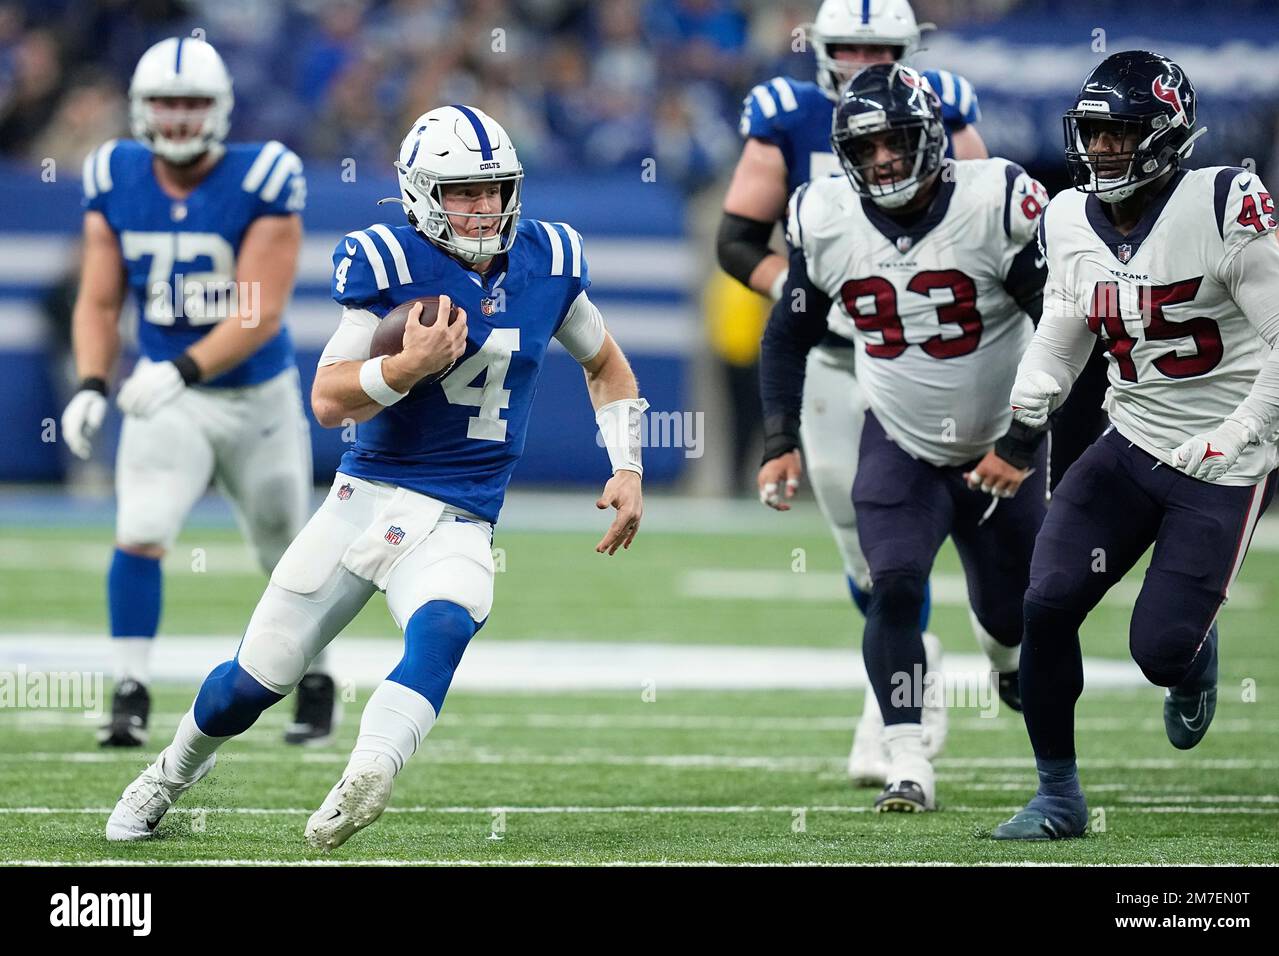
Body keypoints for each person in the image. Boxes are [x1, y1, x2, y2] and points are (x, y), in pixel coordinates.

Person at [104, 105, 649, 850]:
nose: (484, 206)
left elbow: (607, 366)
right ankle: (168, 773)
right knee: (254, 682)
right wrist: (403, 368)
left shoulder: (549, 260)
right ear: (422, 192)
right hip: (366, 499)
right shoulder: (387, 261)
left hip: (461, 514)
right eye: (463, 191)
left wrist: (627, 465)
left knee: (447, 623)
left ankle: (370, 770)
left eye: (494, 188)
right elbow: (328, 399)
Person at [994, 51, 1279, 840]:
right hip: (1129, 438)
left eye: (1119, 134)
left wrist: (1241, 432)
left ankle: (1191, 655)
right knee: (1047, 602)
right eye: (1092, 134)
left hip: (1221, 463)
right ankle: (1058, 795)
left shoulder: (1220, 203)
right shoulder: (1067, 217)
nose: (1100, 151)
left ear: (1165, 136)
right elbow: (1066, 321)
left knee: (1159, 650)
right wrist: (1030, 406)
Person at [717, 0, 993, 789]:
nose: (865, 57)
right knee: (864, 546)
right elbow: (737, 240)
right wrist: (812, 297)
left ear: (911, 50)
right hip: (842, 359)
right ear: (820, 49)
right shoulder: (787, 116)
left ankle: (988, 662)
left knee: (998, 561)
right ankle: (910, 680)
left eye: (881, 45)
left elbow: (994, 223)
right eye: (851, 45)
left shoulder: (946, 107)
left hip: (940, 358)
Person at [758, 64, 1048, 811]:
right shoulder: (825, 217)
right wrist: (778, 438)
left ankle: (1004, 659)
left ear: (933, 140)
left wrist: (1022, 439)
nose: (883, 160)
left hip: (998, 444)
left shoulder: (992, 201)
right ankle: (907, 759)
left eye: (896, 142)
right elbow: (787, 333)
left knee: (1013, 619)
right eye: (867, 148)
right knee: (892, 591)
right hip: (898, 439)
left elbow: (1061, 325)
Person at [57, 37, 334, 748]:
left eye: (192, 104)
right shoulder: (114, 172)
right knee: (142, 529)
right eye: (165, 104)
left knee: (282, 547)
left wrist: (178, 368)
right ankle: (128, 690)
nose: (178, 118)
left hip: (253, 391)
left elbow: (257, 311)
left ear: (219, 110)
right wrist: (92, 381)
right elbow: (97, 300)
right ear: (141, 109)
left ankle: (315, 674)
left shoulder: (265, 175)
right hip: (165, 395)